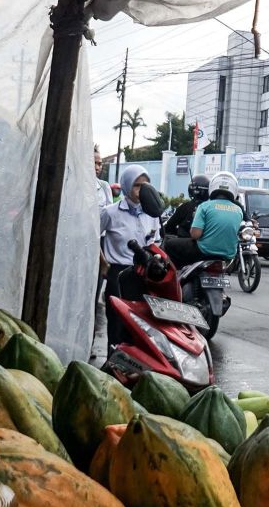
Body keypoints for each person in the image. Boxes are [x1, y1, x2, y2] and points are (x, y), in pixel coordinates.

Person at [99, 164, 162, 352]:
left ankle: (135, 368)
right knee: (117, 322)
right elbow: (92, 235)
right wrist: (103, 264)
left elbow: (156, 241)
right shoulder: (110, 212)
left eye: (146, 186)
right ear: (127, 186)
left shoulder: (152, 214)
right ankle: (113, 364)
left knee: (140, 323)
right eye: (137, 185)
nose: (142, 190)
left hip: (143, 273)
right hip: (118, 273)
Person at [164, 171, 244, 267]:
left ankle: (177, 275)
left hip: (204, 250)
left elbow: (195, 235)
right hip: (229, 255)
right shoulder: (238, 210)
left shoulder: (205, 206)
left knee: (168, 244)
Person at [90, 145, 114, 363]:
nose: (98, 167)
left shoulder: (104, 187)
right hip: (81, 243)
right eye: (95, 162)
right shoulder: (75, 184)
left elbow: (107, 219)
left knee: (93, 298)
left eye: (100, 163)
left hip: (100, 245)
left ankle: (88, 342)